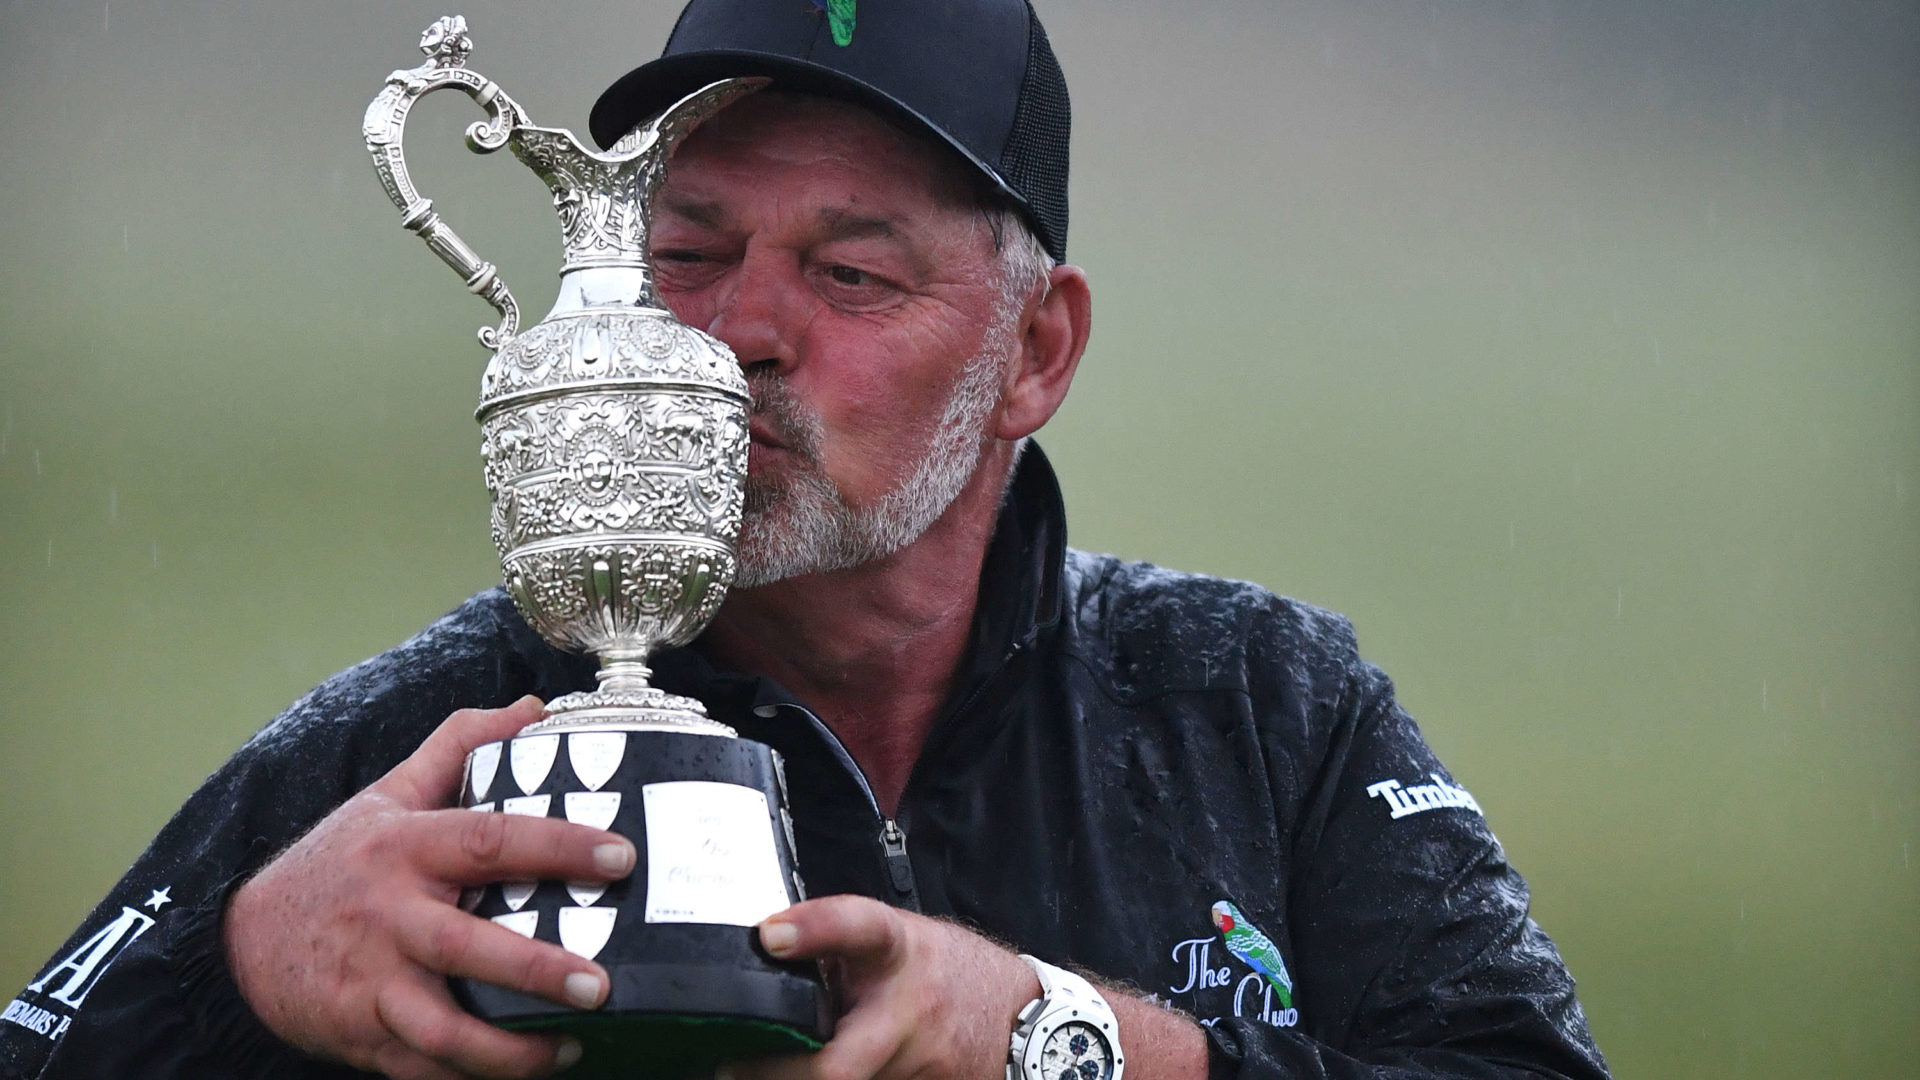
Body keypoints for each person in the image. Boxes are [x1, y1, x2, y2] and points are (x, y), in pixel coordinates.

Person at [2, 2, 1610, 1079]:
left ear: (1035, 354)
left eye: (851, 275)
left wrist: (1060, 1039)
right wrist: (237, 973)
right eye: (688, 250)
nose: (742, 330)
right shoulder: (416, 751)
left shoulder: (1263, 705)